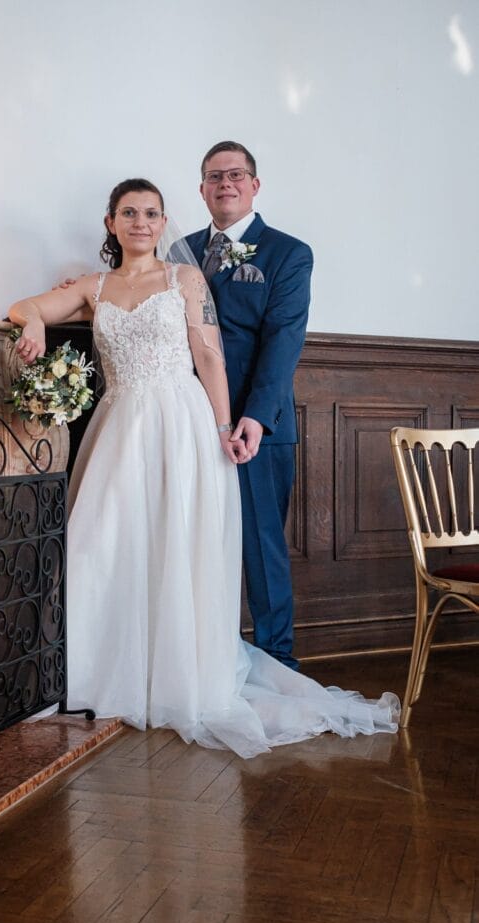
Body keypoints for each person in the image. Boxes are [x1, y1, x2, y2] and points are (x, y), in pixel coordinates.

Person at [8, 178, 398, 759]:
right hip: (119, 426)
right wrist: (35, 322)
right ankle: (99, 673)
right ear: (111, 222)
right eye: (130, 213)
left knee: (174, 544)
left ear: (164, 223)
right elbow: (24, 306)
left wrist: (221, 428)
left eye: (152, 213)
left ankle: (176, 675)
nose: (141, 222)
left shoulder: (184, 279)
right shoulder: (93, 286)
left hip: (180, 423)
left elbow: (209, 356)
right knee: (102, 545)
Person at [185, 141, 311, 671]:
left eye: (236, 174)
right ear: (202, 189)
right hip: (189, 420)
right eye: (215, 176)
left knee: (260, 548)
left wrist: (252, 418)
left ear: (255, 185)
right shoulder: (180, 250)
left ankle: (276, 662)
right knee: (193, 540)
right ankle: (208, 660)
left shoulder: (287, 252)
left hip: (256, 426)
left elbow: (283, 340)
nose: (226, 184)